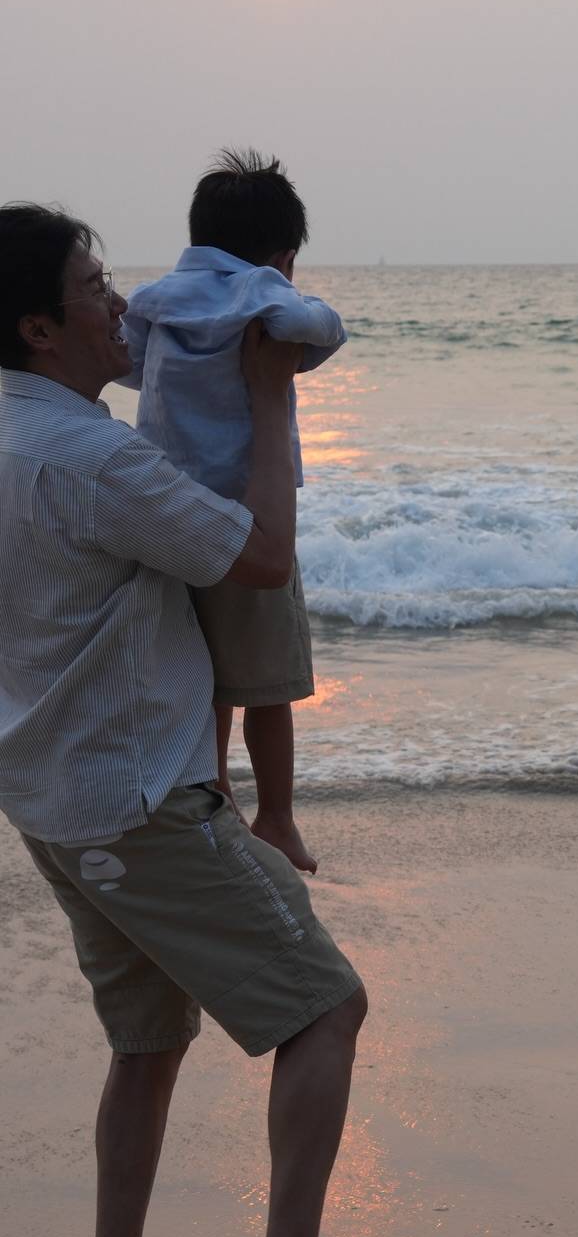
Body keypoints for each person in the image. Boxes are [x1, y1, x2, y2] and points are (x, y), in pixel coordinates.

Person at [0, 202, 425, 1237]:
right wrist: (272, 394)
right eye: (94, 286)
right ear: (40, 326)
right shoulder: (96, 457)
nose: (120, 303)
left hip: (54, 794)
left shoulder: (22, 433)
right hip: (140, 800)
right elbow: (263, 555)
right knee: (326, 1005)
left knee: (147, 1043)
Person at [119, 149, 345, 874]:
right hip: (252, 517)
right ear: (283, 256)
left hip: (171, 515)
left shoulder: (154, 299)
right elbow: (320, 329)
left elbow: (131, 364)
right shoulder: (262, 293)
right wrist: (301, 309)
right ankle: (276, 816)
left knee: (204, 681)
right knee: (269, 687)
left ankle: (215, 799)